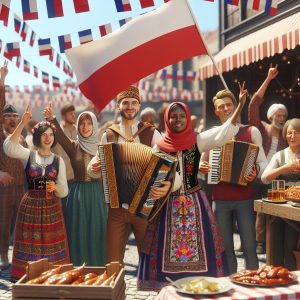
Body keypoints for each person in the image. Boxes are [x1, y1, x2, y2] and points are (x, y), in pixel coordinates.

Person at [137, 83, 248, 290]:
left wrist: (240, 106)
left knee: (201, 245)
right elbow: (154, 175)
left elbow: (223, 133)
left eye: (181, 116)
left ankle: (200, 287)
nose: (177, 120)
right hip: (166, 205)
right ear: (167, 119)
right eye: (173, 116)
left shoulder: (197, 140)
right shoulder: (159, 146)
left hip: (194, 201)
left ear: (188, 118)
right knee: (163, 247)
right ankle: (168, 289)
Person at [87, 85, 169, 265]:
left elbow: (167, 164)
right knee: (113, 261)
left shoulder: (152, 132)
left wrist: (165, 186)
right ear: (118, 106)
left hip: (145, 208)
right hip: (116, 208)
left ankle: (155, 291)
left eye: (133, 103)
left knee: (149, 260)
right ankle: (116, 292)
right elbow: (94, 164)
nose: (130, 106)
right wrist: (92, 167)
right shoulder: (109, 134)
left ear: (139, 106)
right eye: (125, 103)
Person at [201, 86, 268, 275]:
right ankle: (232, 287)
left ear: (235, 105)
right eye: (221, 106)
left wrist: (254, 172)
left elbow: (263, 164)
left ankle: (253, 285)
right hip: (219, 200)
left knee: (249, 247)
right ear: (216, 110)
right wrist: (201, 168)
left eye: (229, 104)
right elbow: (199, 166)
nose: (226, 109)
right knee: (226, 250)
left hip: (244, 199)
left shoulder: (251, 132)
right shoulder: (212, 133)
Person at [3, 106, 70, 279]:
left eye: (50, 134)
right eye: (43, 134)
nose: (47, 138)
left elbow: (64, 190)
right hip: (30, 206)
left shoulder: (58, 160)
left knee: (50, 243)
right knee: (29, 243)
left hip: (51, 208)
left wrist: (55, 188)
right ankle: (26, 275)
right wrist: (22, 122)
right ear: (38, 137)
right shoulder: (28, 155)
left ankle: (52, 276)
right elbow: (9, 147)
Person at [44, 104, 106, 266]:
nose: (85, 127)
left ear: (94, 125)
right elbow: (61, 136)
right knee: (78, 229)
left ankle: (98, 265)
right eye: (82, 124)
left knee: (96, 229)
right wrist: (52, 119)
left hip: (96, 194)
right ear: (78, 126)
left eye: (89, 123)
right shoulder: (73, 147)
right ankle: (78, 265)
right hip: (77, 193)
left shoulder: (102, 149)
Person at [248, 64, 288, 254]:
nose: (281, 118)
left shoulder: (289, 135)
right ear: (271, 116)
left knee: (271, 209)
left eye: (284, 116)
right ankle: (257, 241)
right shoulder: (261, 128)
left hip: (276, 177)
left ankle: (269, 242)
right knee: (257, 209)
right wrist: (268, 79)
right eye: (278, 115)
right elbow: (253, 105)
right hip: (256, 175)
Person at [261, 118, 300, 270]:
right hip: (282, 206)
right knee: (280, 243)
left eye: (296, 133)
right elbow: (265, 178)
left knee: (290, 243)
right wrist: (285, 168)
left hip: (296, 208)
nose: (291, 136)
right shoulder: (280, 156)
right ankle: (280, 272)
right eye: (289, 133)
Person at [0, 61, 26, 270]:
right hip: (2, 189)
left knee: (20, 224)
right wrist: (2, 79)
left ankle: (19, 254)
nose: (11, 119)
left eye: (14, 116)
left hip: (21, 189)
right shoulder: (0, 136)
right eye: (7, 116)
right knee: (2, 224)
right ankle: (2, 257)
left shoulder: (23, 140)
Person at [51, 103, 77, 217]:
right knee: (66, 212)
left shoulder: (80, 129)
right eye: (70, 113)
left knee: (78, 211)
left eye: (74, 112)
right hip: (63, 178)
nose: (73, 115)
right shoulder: (56, 131)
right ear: (63, 116)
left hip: (78, 177)